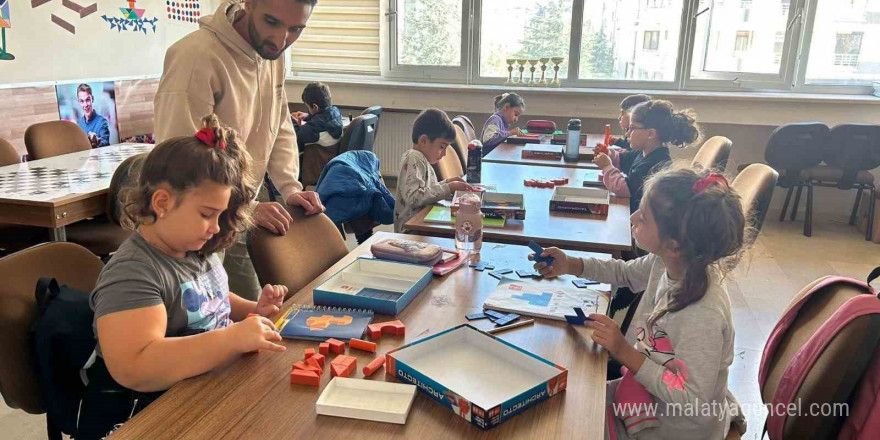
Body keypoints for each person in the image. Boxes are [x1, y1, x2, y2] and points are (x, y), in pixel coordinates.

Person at [76, 115, 288, 439]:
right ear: (162, 202)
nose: (216, 227)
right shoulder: (133, 273)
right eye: (206, 214)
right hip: (146, 414)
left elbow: (208, 299)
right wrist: (231, 339)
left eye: (220, 215)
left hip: (202, 391)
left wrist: (250, 311)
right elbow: (136, 366)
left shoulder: (192, 249)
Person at [531, 167, 748, 440]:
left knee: (567, 419)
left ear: (673, 245)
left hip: (675, 428)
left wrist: (623, 351)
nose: (633, 218)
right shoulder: (668, 261)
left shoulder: (701, 312)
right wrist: (571, 264)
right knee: (565, 399)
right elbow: (623, 273)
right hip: (645, 392)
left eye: (643, 218)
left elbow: (692, 399)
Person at [153, 0, 324, 300]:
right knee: (200, 322)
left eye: (296, 29)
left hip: (239, 214)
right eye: (272, 22)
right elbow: (179, 167)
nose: (281, 40)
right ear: (248, 3)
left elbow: (279, 121)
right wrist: (251, 209)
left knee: (252, 316)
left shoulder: (272, 52)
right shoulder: (195, 57)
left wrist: (289, 188)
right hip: (195, 224)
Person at [593, 99, 700, 213]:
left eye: (632, 128)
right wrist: (608, 153)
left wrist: (607, 167)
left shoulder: (656, 163)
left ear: (650, 133)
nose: (627, 133)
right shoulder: (644, 152)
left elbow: (624, 189)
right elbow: (623, 160)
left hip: (638, 220)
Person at [393, 108, 474, 232]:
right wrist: (449, 188)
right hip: (411, 230)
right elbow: (414, 197)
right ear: (424, 141)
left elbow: (425, 190)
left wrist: (446, 183)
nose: (445, 153)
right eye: (442, 147)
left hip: (423, 222)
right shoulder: (414, 158)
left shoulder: (422, 159)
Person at [292, 82, 343, 149]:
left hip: (314, 157)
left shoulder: (314, 129)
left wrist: (291, 120)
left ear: (315, 107)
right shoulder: (335, 111)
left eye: (308, 107)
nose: (308, 109)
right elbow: (323, 118)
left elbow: (297, 135)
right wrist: (307, 116)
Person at [76, 83, 111, 148]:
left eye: (88, 100)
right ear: (79, 102)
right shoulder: (79, 124)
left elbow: (105, 142)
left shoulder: (102, 122)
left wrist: (97, 143)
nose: (85, 105)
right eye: (82, 101)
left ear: (92, 99)